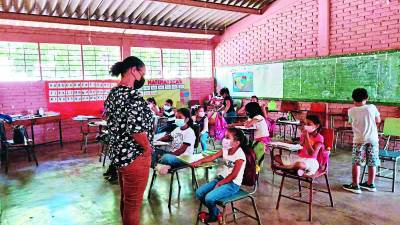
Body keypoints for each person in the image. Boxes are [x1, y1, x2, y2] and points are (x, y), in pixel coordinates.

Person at [104, 56, 154, 225]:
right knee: (134, 204)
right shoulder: (133, 96)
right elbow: (136, 131)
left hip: (119, 156)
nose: (142, 77)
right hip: (135, 157)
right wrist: (147, 148)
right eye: (142, 73)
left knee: (127, 200)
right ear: (134, 70)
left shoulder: (113, 93)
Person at [191, 128, 247, 224]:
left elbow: (234, 175)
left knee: (209, 198)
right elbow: (212, 157)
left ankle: (213, 216)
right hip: (221, 178)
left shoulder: (240, 156)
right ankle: (216, 213)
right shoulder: (226, 149)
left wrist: (221, 183)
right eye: (225, 137)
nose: (224, 139)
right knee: (199, 193)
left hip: (232, 184)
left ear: (236, 143)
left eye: (227, 137)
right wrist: (199, 161)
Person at [343, 88, 381, 194]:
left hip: (359, 140)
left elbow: (351, 123)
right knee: (372, 162)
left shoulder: (350, 111)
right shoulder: (372, 107)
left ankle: (355, 185)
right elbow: (378, 120)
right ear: (367, 98)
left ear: (353, 99)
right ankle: (370, 184)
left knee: (357, 162)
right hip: (373, 140)